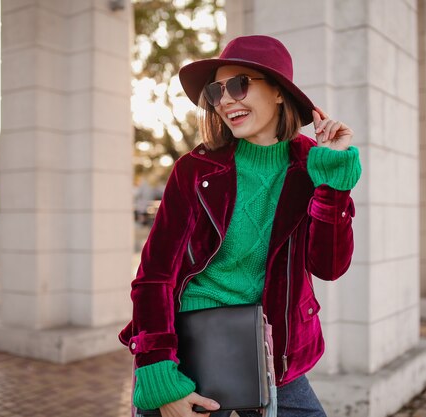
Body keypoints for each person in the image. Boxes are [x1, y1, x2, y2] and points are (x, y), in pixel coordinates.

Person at [119, 35, 361, 417]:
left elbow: (329, 266)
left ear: (279, 92)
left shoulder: (310, 166)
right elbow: (154, 277)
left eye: (239, 84)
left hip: (273, 353)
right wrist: (161, 376)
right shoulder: (195, 171)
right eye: (217, 91)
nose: (226, 99)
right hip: (188, 352)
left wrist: (333, 181)